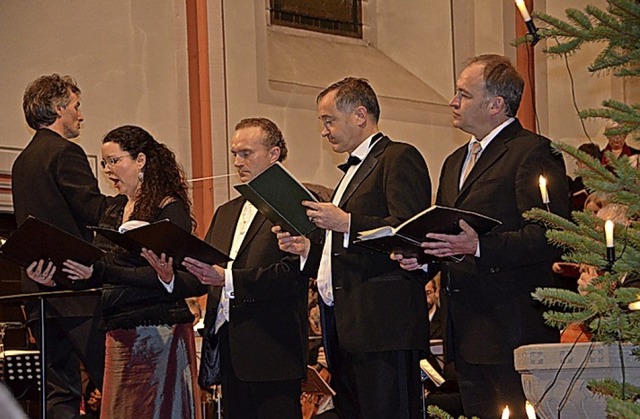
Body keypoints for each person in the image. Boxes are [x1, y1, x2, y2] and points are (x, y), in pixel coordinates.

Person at [392, 55, 569, 419]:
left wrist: (480, 246)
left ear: (496, 105)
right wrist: (423, 257)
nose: (453, 102)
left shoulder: (532, 152)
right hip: (466, 328)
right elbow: (447, 235)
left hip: (512, 328)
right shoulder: (455, 161)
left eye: (463, 94)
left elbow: (552, 234)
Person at [274, 77, 432, 418]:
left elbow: (407, 231)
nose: (324, 131)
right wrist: (306, 250)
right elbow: (342, 248)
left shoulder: (398, 157)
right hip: (345, 325)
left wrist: (346, 222)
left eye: (329, 120)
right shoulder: (349, 170)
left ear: (360, 115)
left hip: (382, 325)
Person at [31, 125, 206, 418]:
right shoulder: (114, 209)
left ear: (140, 160)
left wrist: (102, 271)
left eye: (115, 161)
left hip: (157, 335)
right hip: (118, 333)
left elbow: (172, 277)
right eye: (104, 163)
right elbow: (97, 273)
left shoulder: (168, 208)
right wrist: (54, 279)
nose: (108, 170)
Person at [182, 117, 311, 419]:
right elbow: (206, 270)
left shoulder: (297, 204)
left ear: (274, 154)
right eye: (235, 154)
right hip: (230, 350)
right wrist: (169, 274)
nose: (238, 162)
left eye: (246, 153)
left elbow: (292, 274)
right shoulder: (226, 212)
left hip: (273, 350)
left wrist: (228, 279)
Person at [11, 74, 107, 418]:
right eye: (76, 106)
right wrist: (132, 205)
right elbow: (93, 210)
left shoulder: (21, 162)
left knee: (59, 393)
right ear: (57, 108)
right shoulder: (65, 152)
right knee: (112, 381)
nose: (80, 115)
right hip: (75, 289)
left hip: (38, 291)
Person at [569, 143, 601, 212]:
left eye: (586, 162)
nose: (582, 166)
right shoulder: (577, 183)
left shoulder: (603, 184)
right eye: (580, 162)